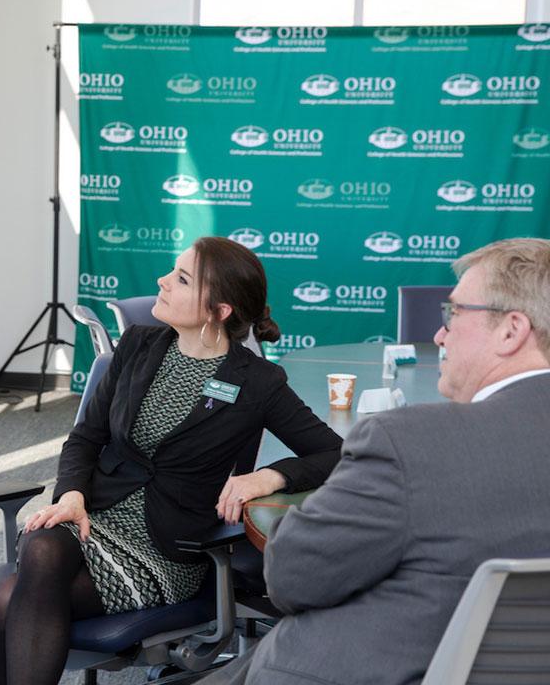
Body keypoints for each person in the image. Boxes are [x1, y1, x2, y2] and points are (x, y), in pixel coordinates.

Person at [0, 236, 343, 685]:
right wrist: (72, 494)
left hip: (165, 550)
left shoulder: (257, 381)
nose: (163, 281)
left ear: (219, 310)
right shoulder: (137, 345)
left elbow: (336, 454)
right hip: (95, 516)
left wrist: (270, 476)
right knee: (39, 545)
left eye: (182, 278)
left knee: (7, 599)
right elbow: (86, 436)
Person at [198, 237, 550, 685]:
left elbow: (293, 577)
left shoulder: (411, 443)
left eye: (455, 314)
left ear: (511, 330)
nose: (440, 335)